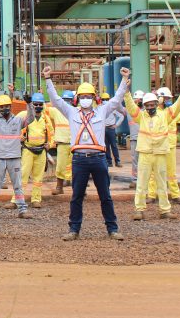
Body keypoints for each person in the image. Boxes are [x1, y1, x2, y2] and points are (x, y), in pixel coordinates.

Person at [44, 65, 130, 241]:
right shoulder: (71, 112)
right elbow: (55, 100)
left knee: (105, 195)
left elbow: (116, 99)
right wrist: (47, 79)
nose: (85, 99)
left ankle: (112, 229)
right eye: (82, 96)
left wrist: (124, 79)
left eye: (88, 96)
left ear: (94, 98)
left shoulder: (102, 111)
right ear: (77, 99)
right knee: (76, 197)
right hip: (79, 159)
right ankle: (73, 230)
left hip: (98, 159)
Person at [0, 95, 33, 219]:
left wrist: (29, 104)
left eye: (6, 106)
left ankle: (22, 210)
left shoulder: (18, 121)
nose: (4, 109)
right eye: (1, 107)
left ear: (10, 106)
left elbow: (30, 119)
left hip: (14, 158)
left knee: (18, 185)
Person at [127, 92, 174, 220]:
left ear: (156, 104)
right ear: (144, 105)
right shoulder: (141, 117)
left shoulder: (163, 115)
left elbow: (176, 108)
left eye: (152, 104)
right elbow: (131, 107)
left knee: (162, 184)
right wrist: (126, 92)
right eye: (147, 105)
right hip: (145, 153)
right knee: (141, 183)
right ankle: (139, 210)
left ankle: (165, 210)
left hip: (159, 153)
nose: (149, 107)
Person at [5, 92, 55, 209]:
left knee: (38, 178)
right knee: (22, 176)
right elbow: (13, 127)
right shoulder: (25, 115)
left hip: (41, 151)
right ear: (32, 104)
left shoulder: (45, 119)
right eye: (35, 104)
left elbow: (52, 134)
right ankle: (16, 200)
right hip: (28, 150)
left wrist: (50, 144)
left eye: (40, 104)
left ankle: (36, 199)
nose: (38, 106)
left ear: (43, 105)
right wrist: (19, 137)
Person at [148, 87, 180, 205]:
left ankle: (175, 195)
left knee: (171, 172)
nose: (167, 100)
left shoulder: (170, 111)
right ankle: (151, 195)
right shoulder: (152, 112)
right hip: (157, 146)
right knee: (154, 172)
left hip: (170, 145)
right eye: (165, 98)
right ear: (159, 99)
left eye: (168, 98)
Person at [50, 90, 75, 195]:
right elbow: (43, 110)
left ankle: (78, 189)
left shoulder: (76, 111)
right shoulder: (56, 111)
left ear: (72, 101)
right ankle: (59, 187)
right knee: (60, 166)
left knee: (77, 167)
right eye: (64, 100)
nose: (66, 102)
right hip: (62, 142)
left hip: (75, 143)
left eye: (68, 100)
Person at [124, 90, 144, 189]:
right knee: (135, 161)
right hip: (134, 139)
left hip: (144, 138)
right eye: (136, 99)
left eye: (140, 100)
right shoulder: (129, 110)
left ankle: (144, 180)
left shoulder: (145, 111)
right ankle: (135, 180)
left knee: (144, 160)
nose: (138, 101)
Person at [103, 91, 123, 167]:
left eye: (106, 99)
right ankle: (109, 162)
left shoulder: (112, 109)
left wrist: (116, 125)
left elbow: (121, 116)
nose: (105, 101)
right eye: (103, 99)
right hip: (105, 129)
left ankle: (117, 161)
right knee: (106, 146)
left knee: (114, 146)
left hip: (111, 128)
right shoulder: (101, 109)